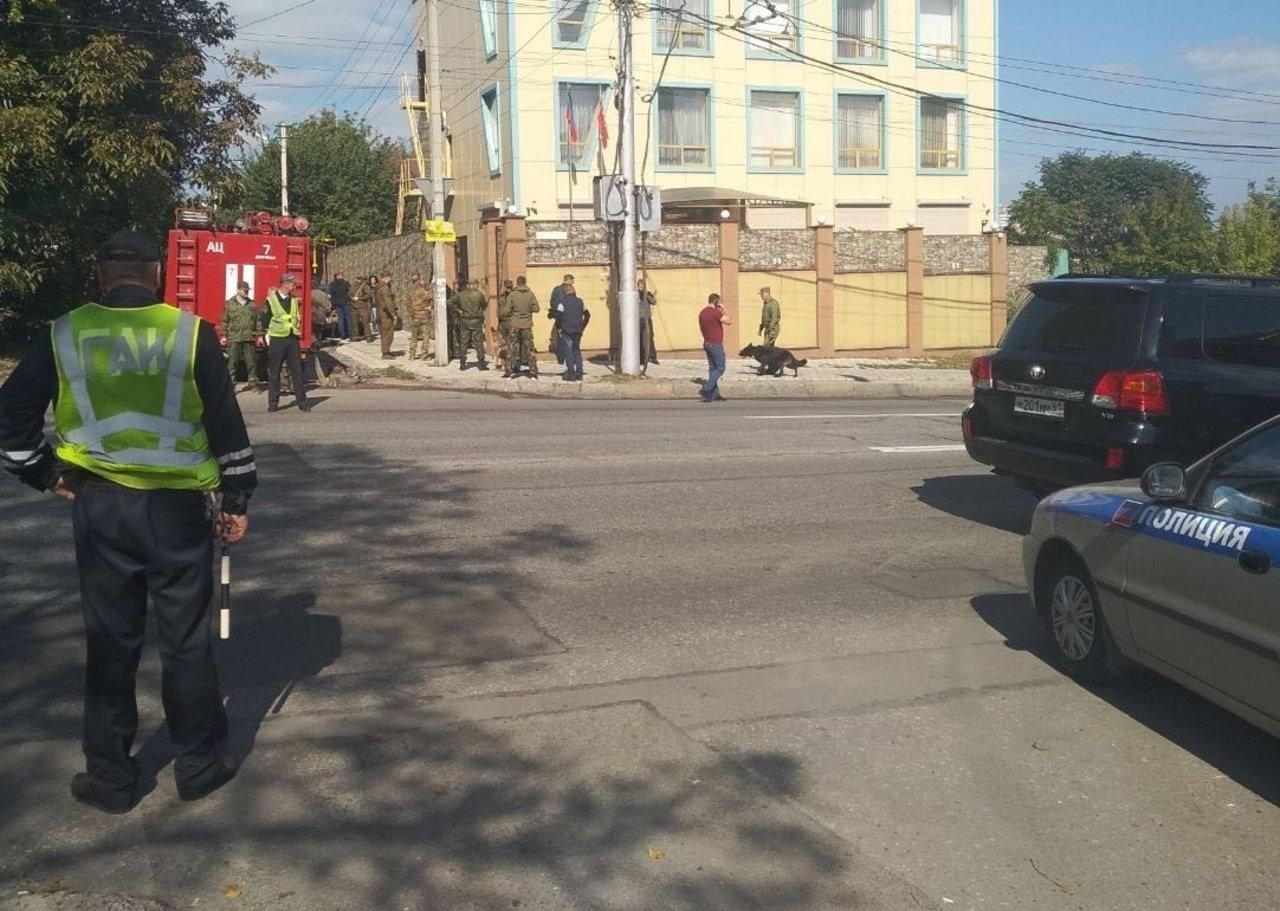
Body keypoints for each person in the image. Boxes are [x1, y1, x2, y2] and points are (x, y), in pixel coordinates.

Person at [0, 230, 256, 813]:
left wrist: (46, 476)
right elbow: (226, 429)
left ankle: (111, 779)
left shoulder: (63, 333)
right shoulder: (191, 333)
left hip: (101, 508)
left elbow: (10, 420)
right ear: (158, 273)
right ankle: (198, 767)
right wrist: (237, 500)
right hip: (177, 512)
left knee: (111, 643)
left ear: (99, 275)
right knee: (187, 642)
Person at [260, 273, 312, 412]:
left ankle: (302, 402)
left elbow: (295, 317)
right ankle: (273, 402)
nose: (295, 286)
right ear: (285, 284)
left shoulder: (294, 300)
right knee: (275, 372)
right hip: (277, 339)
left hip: (292, 339)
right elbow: (264, 319)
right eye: (293, 284)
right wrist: (266, 335)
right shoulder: (270, 300)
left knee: (297, 372)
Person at [221, 280, 260, 390]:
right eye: (244, 290)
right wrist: (223, 335)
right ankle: (231, 385)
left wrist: (260, 335)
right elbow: (225, 320)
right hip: (235, 338)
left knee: (251, 362)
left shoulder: (252, 304)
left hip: (249, 337)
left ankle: (253, 384)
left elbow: (258, 321)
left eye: (247, 290)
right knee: (232, 363)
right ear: (238, 290)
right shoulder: (230, 304)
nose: (246, 292)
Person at [500, 276, 540, 378]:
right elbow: (536, 309)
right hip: (527, 324)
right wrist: (528, 310)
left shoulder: (512, 295)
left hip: (515, 324)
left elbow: (506, 311)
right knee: (529, 347)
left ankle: (508, 369)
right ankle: (533, 369)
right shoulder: (530, 294)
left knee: (512, 346)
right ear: (525, 282)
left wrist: (505, 312)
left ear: (517, 283)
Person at [698, 292, 731, 403]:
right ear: (716, 301)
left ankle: (714, 394)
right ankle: (706, 389)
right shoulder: (715, 313)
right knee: (720, 367)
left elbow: (702, 328)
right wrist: (723, 309)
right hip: (715, 344)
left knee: (713, 368)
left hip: (707, 343)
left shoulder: (702, 313)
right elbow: (729, 321)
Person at [554, 282, 590, 381]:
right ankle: (579, 373)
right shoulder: (580, 302)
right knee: (577, 350)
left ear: (565, 293)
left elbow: (558, 317)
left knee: (568, 352)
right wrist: (582, 326)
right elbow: (587, 315)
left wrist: (559, 329)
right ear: (574, 291)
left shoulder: (562, 303)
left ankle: (571, 373)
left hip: (567, 330)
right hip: (578, 330)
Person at [457, 279, 489, 370]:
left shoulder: (461, 294)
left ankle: (462, 364)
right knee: (478, 342)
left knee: (464, 342)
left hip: (465, 321)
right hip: (476, 321)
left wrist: (459, 310)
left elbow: (450, 302)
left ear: (468, 285)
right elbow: (484, 305)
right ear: (474, 285)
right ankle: (482, 364)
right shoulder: (479, 294)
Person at [548, 273, 573, 365]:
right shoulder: (570, 290)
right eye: (572, 281)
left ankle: (561, 358)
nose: (572, 284)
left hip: (559, 316)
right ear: (569, 280)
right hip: (568, 317)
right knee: (569, 336)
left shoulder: (556, 289)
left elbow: (551, 302)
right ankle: (569, 356)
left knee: (560, 336)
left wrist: (556, 310)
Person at [406, 277, 434, 360]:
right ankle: (424, 355)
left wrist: (412, 313)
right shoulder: (426, 293)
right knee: (426, 336)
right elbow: (434, 300)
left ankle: (411, 355)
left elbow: (407, 303)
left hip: (415, 317)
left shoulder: (412, 293)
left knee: (414, 336)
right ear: (425, 285)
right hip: (424, 317)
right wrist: (430, 308)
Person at [374, 272, 397, 360]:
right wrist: (393, 314)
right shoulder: (385, 288)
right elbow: (388, 302)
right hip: (386, 314)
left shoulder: (377, 287)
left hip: (380, 312)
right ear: (387, 277)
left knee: (384, 333)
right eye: (390, 277)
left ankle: (385, 350)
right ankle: (385, 353)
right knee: (388, 333)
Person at [638, 278, 659, 371]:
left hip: (647, 319)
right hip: (638, 319)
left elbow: (654, 302)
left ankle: (653, 357)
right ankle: (641, 358)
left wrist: (648, 295)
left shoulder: (647, 294)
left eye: (642, 286)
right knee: (638, 339)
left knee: (649, 338)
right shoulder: (635, 295)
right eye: (639, 286)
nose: (641, 288)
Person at [350, 275, 374, 342]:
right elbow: (349, 294)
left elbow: (368, 295)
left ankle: (368, 336)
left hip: (363, 306)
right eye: (357, 278)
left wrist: (359, 298)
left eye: (359, 278)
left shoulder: (365, 286)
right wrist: (352, 298)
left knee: (365, 322)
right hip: (354, 306)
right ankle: (356, 336)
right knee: (355, 323)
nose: (358, 280)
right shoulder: (352, 286)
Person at [330, 272, 352, 340]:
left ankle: (342, 334)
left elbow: (332, 295)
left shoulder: (332, 284)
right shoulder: (346, 283)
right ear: (340, 276)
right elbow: (350, 292)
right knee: (348, 318)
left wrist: (333, 305)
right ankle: (350, 333)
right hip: (345, 303)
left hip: (337, 304)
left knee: (341, 319)